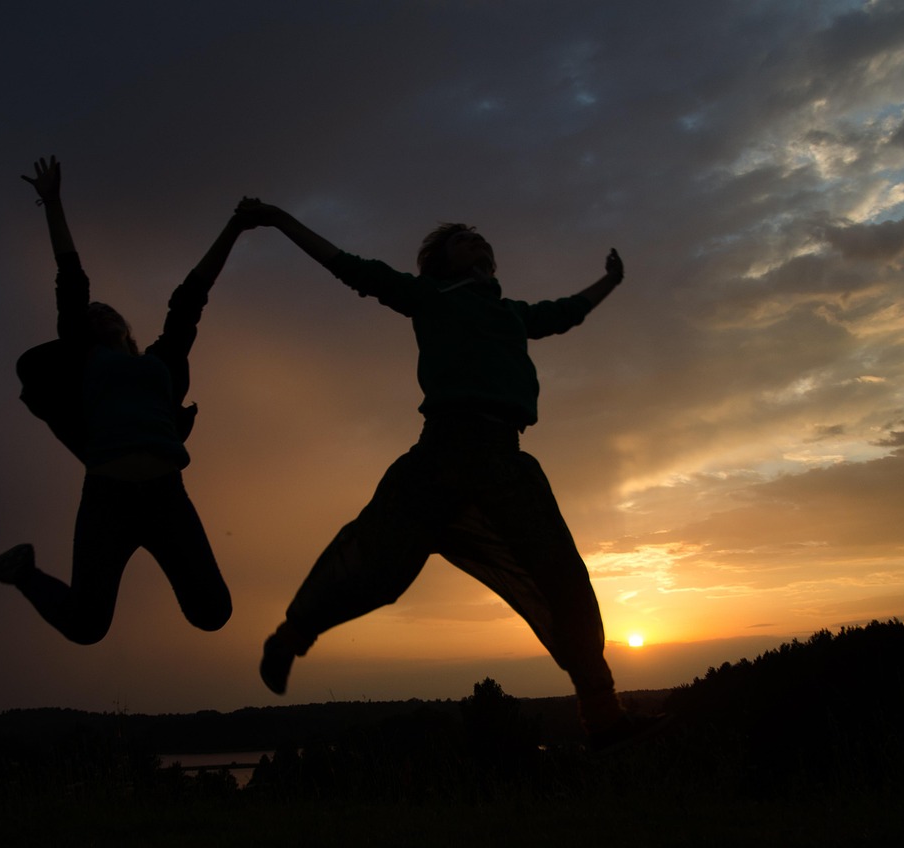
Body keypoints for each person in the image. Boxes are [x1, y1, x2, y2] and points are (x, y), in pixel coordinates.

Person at [236, 198, 635, 749]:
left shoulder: (512, 313)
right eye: (463, 238)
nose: (477, 240)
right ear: (441, 262)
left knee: (561, 577)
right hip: (443, 452)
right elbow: (349, 267)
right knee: (377, 560)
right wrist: (280, 220)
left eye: (480, 237)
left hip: (504, 459)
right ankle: (293, 634)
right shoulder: (429, 297)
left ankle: (604, 715)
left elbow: (567, 312)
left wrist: (610, 280)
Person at [0, 156, 239, 645]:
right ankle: (23, 572)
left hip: (166, 497)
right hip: (107, 500)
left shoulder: (160, 363)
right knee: (86, 625)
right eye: (90, 314)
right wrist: (52, 203)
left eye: (104, 310)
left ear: (124, 326)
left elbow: (191, 299)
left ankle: (26, 574)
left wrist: (236, 226)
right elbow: (71, 279)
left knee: (213, 612)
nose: (95, 312)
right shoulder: (84, 361)